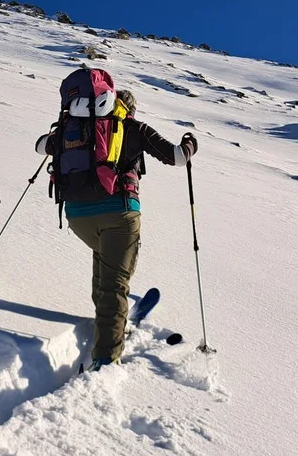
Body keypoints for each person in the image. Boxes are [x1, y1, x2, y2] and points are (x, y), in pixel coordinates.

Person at [35, 69, 196, 371]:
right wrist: (191, 144)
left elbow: (41, 145)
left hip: (77, 215)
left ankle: (109, 321)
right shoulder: (132, 127)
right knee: (115, 284)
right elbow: (177, 157)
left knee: (105, 265)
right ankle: (106, 359)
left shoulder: (72, 126)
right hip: (119, 213)